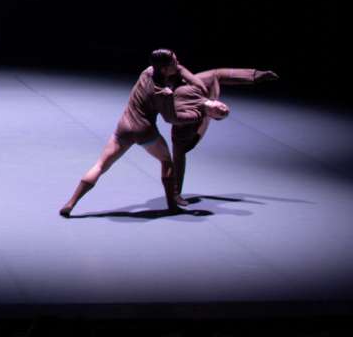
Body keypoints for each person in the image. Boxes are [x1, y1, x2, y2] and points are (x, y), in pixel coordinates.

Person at [59, 49, 200, 217]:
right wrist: (196, 114)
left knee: (100, 166)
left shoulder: (147, 71)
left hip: (124, 127)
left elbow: (177, 70)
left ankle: (70, 203)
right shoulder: (164, 93)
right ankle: (172, 206)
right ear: (164, 69)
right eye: (174, 62)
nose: (178, 64)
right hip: (145, 131)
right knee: (166, 161)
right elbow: (171, 119)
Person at [169, 67, 278, 206]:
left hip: (175, 103)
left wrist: (175, 193)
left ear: (212, 116)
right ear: (218, 101)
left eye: (221, 114)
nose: (223, 109)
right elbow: (219, 74)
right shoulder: (203, 87)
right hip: (178, 87)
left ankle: (175, 193)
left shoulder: (194, 118)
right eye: (225, 109)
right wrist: (255, 75)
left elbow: (178, 148)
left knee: (180, 151)